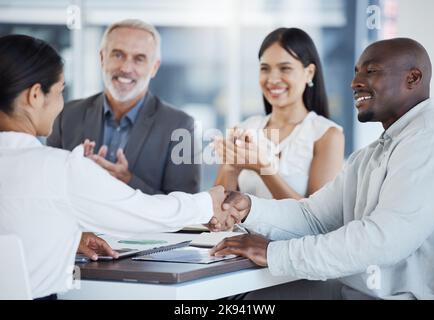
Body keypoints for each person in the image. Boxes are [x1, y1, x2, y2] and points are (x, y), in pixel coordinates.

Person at [211, 38, 434, 300]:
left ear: (413, 78)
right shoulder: (373, 153)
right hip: (349, 290)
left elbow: (383, 240)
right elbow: (314, 217)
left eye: (371, 71)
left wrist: (273, 254)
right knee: (234, 298)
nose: (355, 82)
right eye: (356, 72)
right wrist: (249, 208)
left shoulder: (431, 139)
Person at [0, 34, 234, 299]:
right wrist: (207, 203)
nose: (60, 103)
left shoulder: (178, 122)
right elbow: (143, 212)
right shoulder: (59, 168)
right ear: (34, 95)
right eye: (59, 91)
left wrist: (67, 236)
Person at [47, 19, 200, 195]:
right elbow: (49, 186)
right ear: (102, 58)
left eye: (139, 59)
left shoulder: (180, 126)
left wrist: (127, 181)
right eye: (118, 55)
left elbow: (186, 206)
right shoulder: (66, 115)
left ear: (154, 68)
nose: (126, 68)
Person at [214, 28, 344, 200]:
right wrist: (230, 167)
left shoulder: (327, 135)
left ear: (309, 73)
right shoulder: (244, 129)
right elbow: (218, 211)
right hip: (240, 229)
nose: (273, 79)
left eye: (285, 68)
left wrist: (264, 168)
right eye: (265, 69)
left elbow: (318, 221)